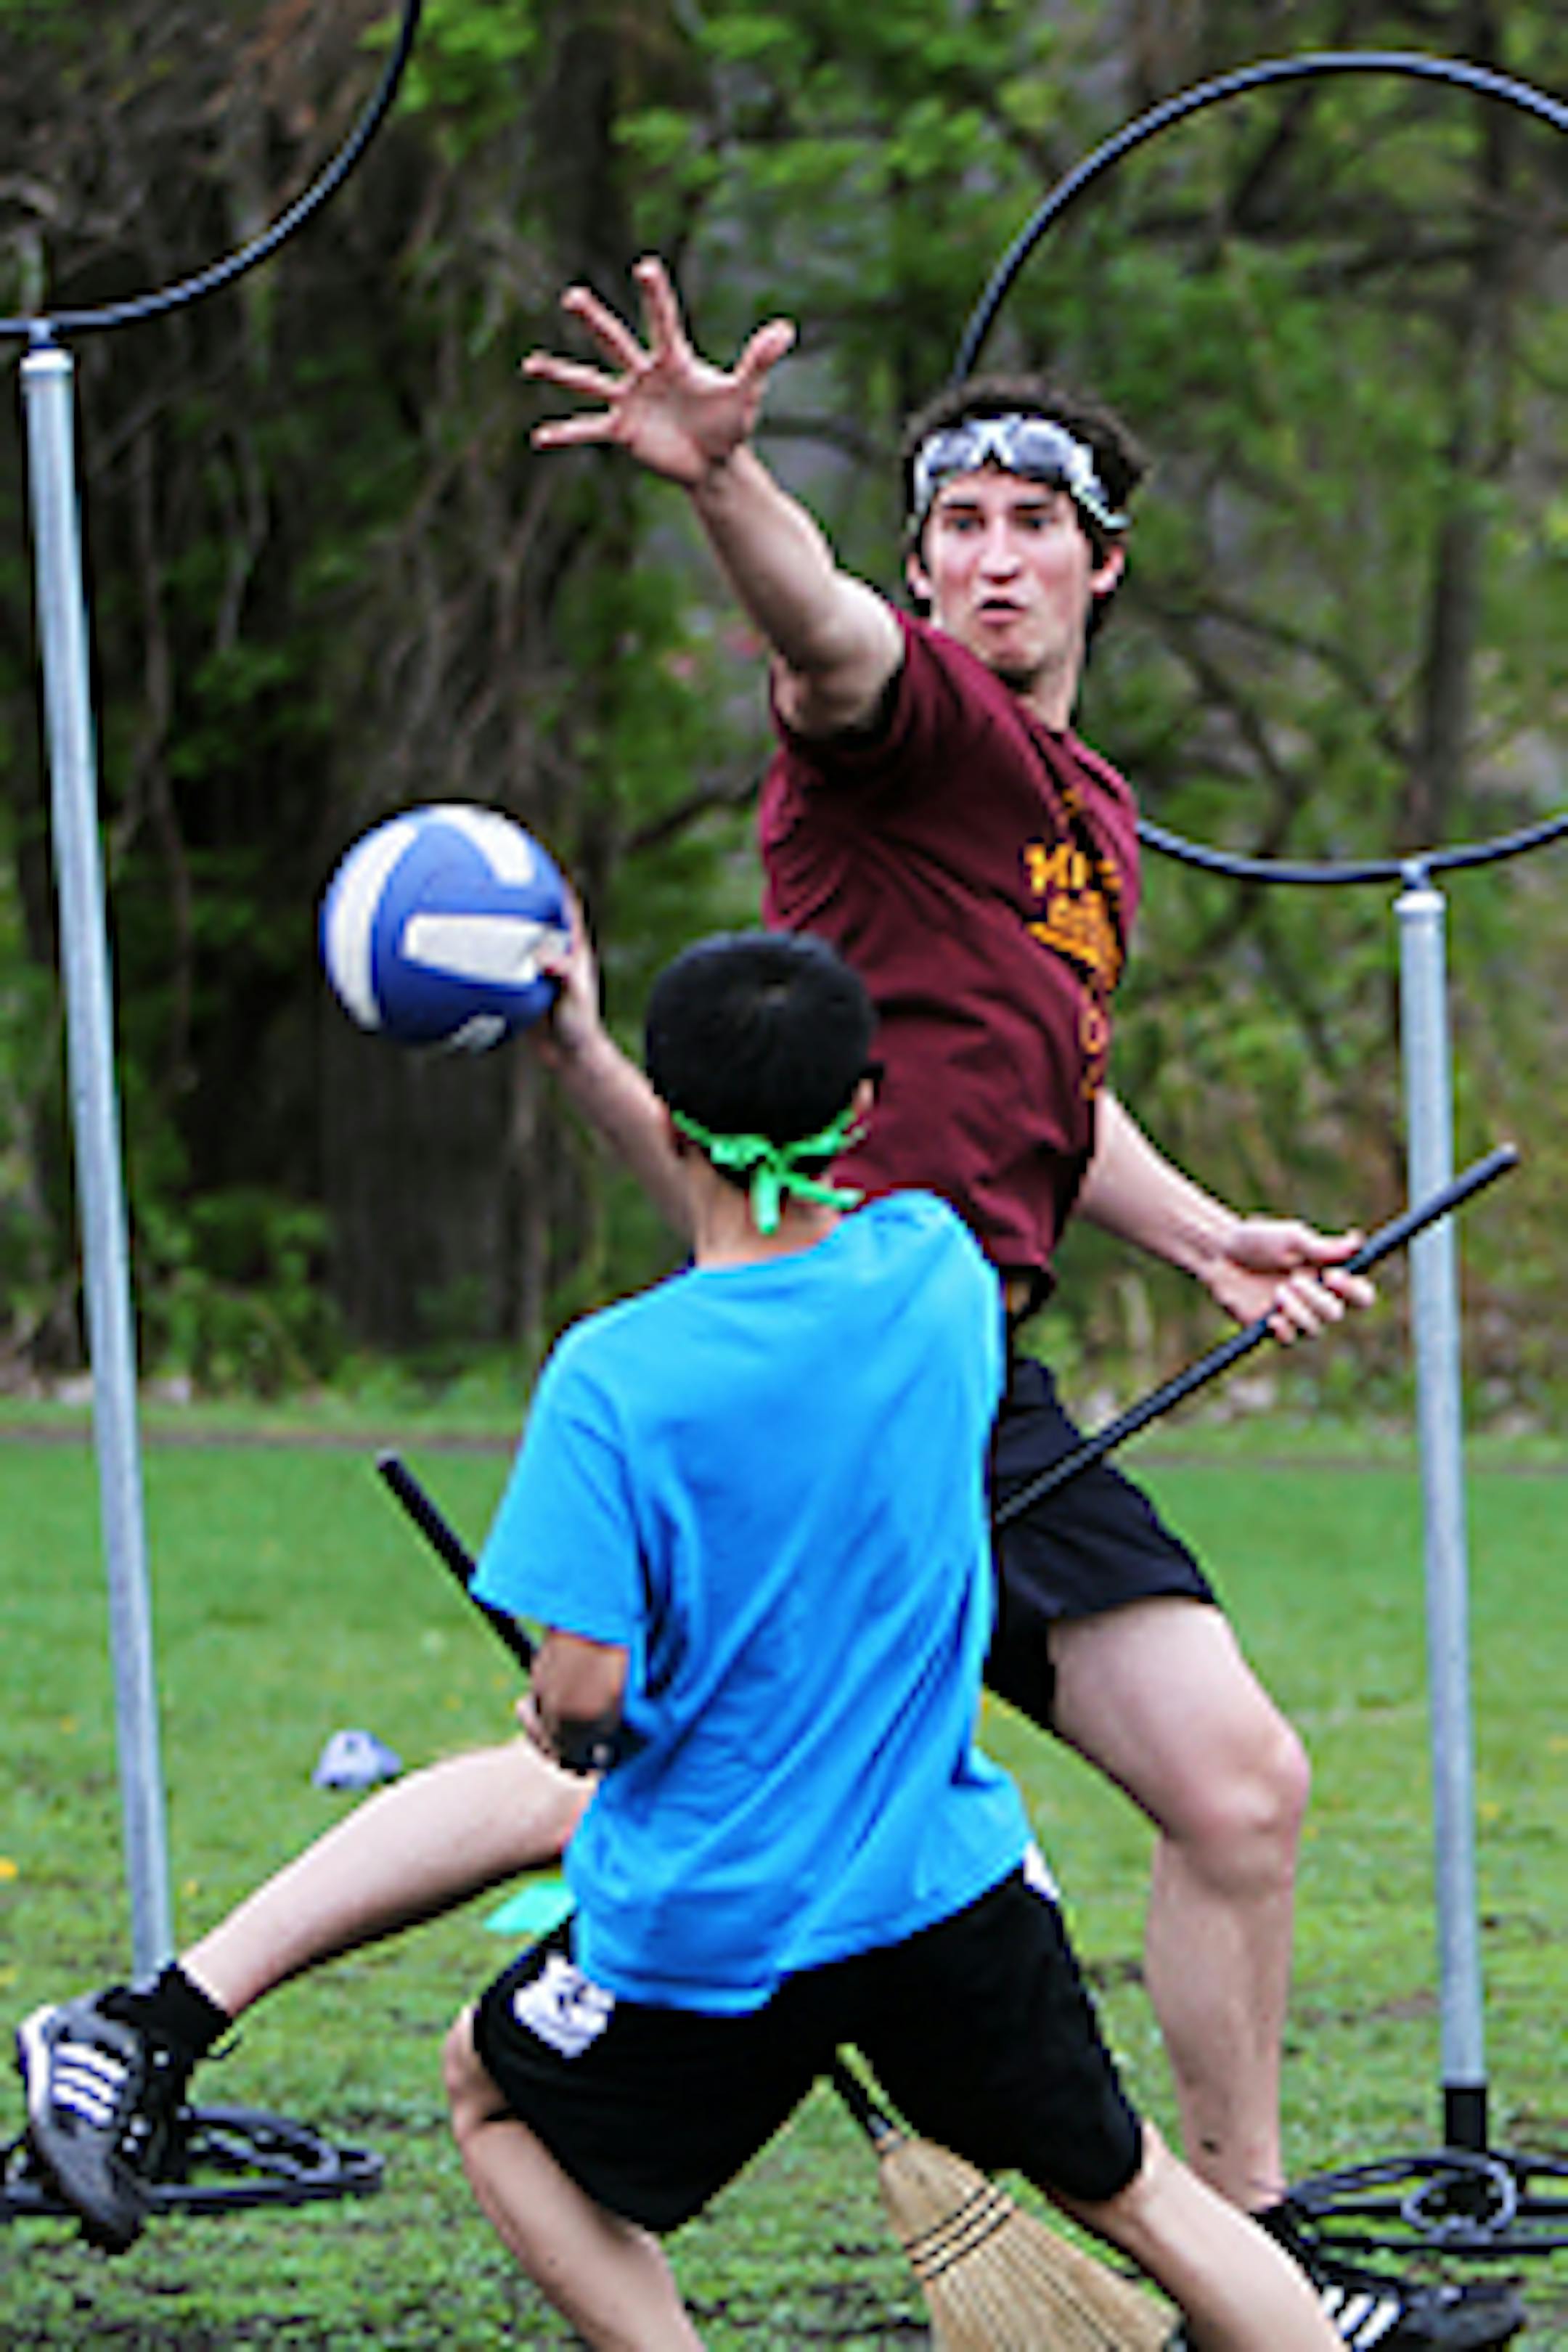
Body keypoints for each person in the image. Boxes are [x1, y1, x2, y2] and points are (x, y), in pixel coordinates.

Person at [12, 262, 1522, 2352]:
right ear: (920, 568)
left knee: (1216, 1787)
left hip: (960, 1356)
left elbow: (1043, 1091)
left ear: (1106, 561)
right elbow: (823, 639)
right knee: (629, 1775)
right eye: (952, 524)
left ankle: (1246, 2264)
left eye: (1027, 522)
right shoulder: (914, 726)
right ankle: (144, 2024)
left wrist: (1202, 1235)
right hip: (842, 1355)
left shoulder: (1085, 820)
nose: (986, 555)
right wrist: (724, 491)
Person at [442, 926, 1340, 2352]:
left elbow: (590, 1692)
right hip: (947, 1895)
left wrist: (562, 1726)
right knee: (1152, 2201)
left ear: (672, 1122)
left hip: (708, 1927)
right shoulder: (935, 1273)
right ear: (860, 1108)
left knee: (488, 2091)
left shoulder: (611, 1381)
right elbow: (793, 1284)